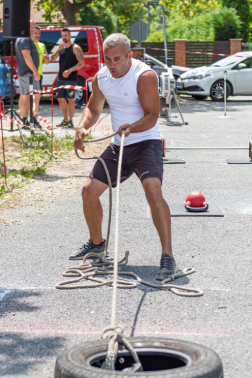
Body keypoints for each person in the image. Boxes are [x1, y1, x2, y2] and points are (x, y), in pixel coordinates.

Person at [72, 33, 177, 280]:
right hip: (119, 144)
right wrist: (82, 126)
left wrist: (132, 127)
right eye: (107, 59)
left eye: (117, 59)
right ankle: (97, 244)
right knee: (88, 192)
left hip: (145, 141)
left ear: (130, 55)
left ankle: (168, 256)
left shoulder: (145, 76)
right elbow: (93, 108)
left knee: (153, 190)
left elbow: (153, 115)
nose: (112, 65)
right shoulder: (102, 77)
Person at [50, 28, 85, 128]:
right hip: (61, 78)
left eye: (66, 35)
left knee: (70, 99)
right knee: (60, 98)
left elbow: (82, 63)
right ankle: (65, 119)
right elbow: (52, 59)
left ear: (70, 36)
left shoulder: (76, 48)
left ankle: (70, 120)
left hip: (71, 78)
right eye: (63, 35)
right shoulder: (60, 48)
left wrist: (70, 70)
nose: (64, 37)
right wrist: (58, 49)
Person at [15, 20, 40, 128]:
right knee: (34, 95)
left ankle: (26, 120)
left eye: (34, 26)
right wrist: (35, 71)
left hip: (25, 72)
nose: (33, 28)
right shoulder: (25, 39)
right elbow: (26, 56)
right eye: (31, 26)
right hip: (28, 73)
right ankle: (31, 119)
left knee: (25, 96)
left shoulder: (22, 38)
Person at [31, 26, 49, 124]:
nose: (37, 35)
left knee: (37, 97)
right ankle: (28, 117)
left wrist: (46, 58)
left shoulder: (42, 45)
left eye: (39, 33)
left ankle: (34, 117)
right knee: (28, 97)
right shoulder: (28, 44)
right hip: (29, 74)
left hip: (39, 75)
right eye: (35, 33)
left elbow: (46, 62)